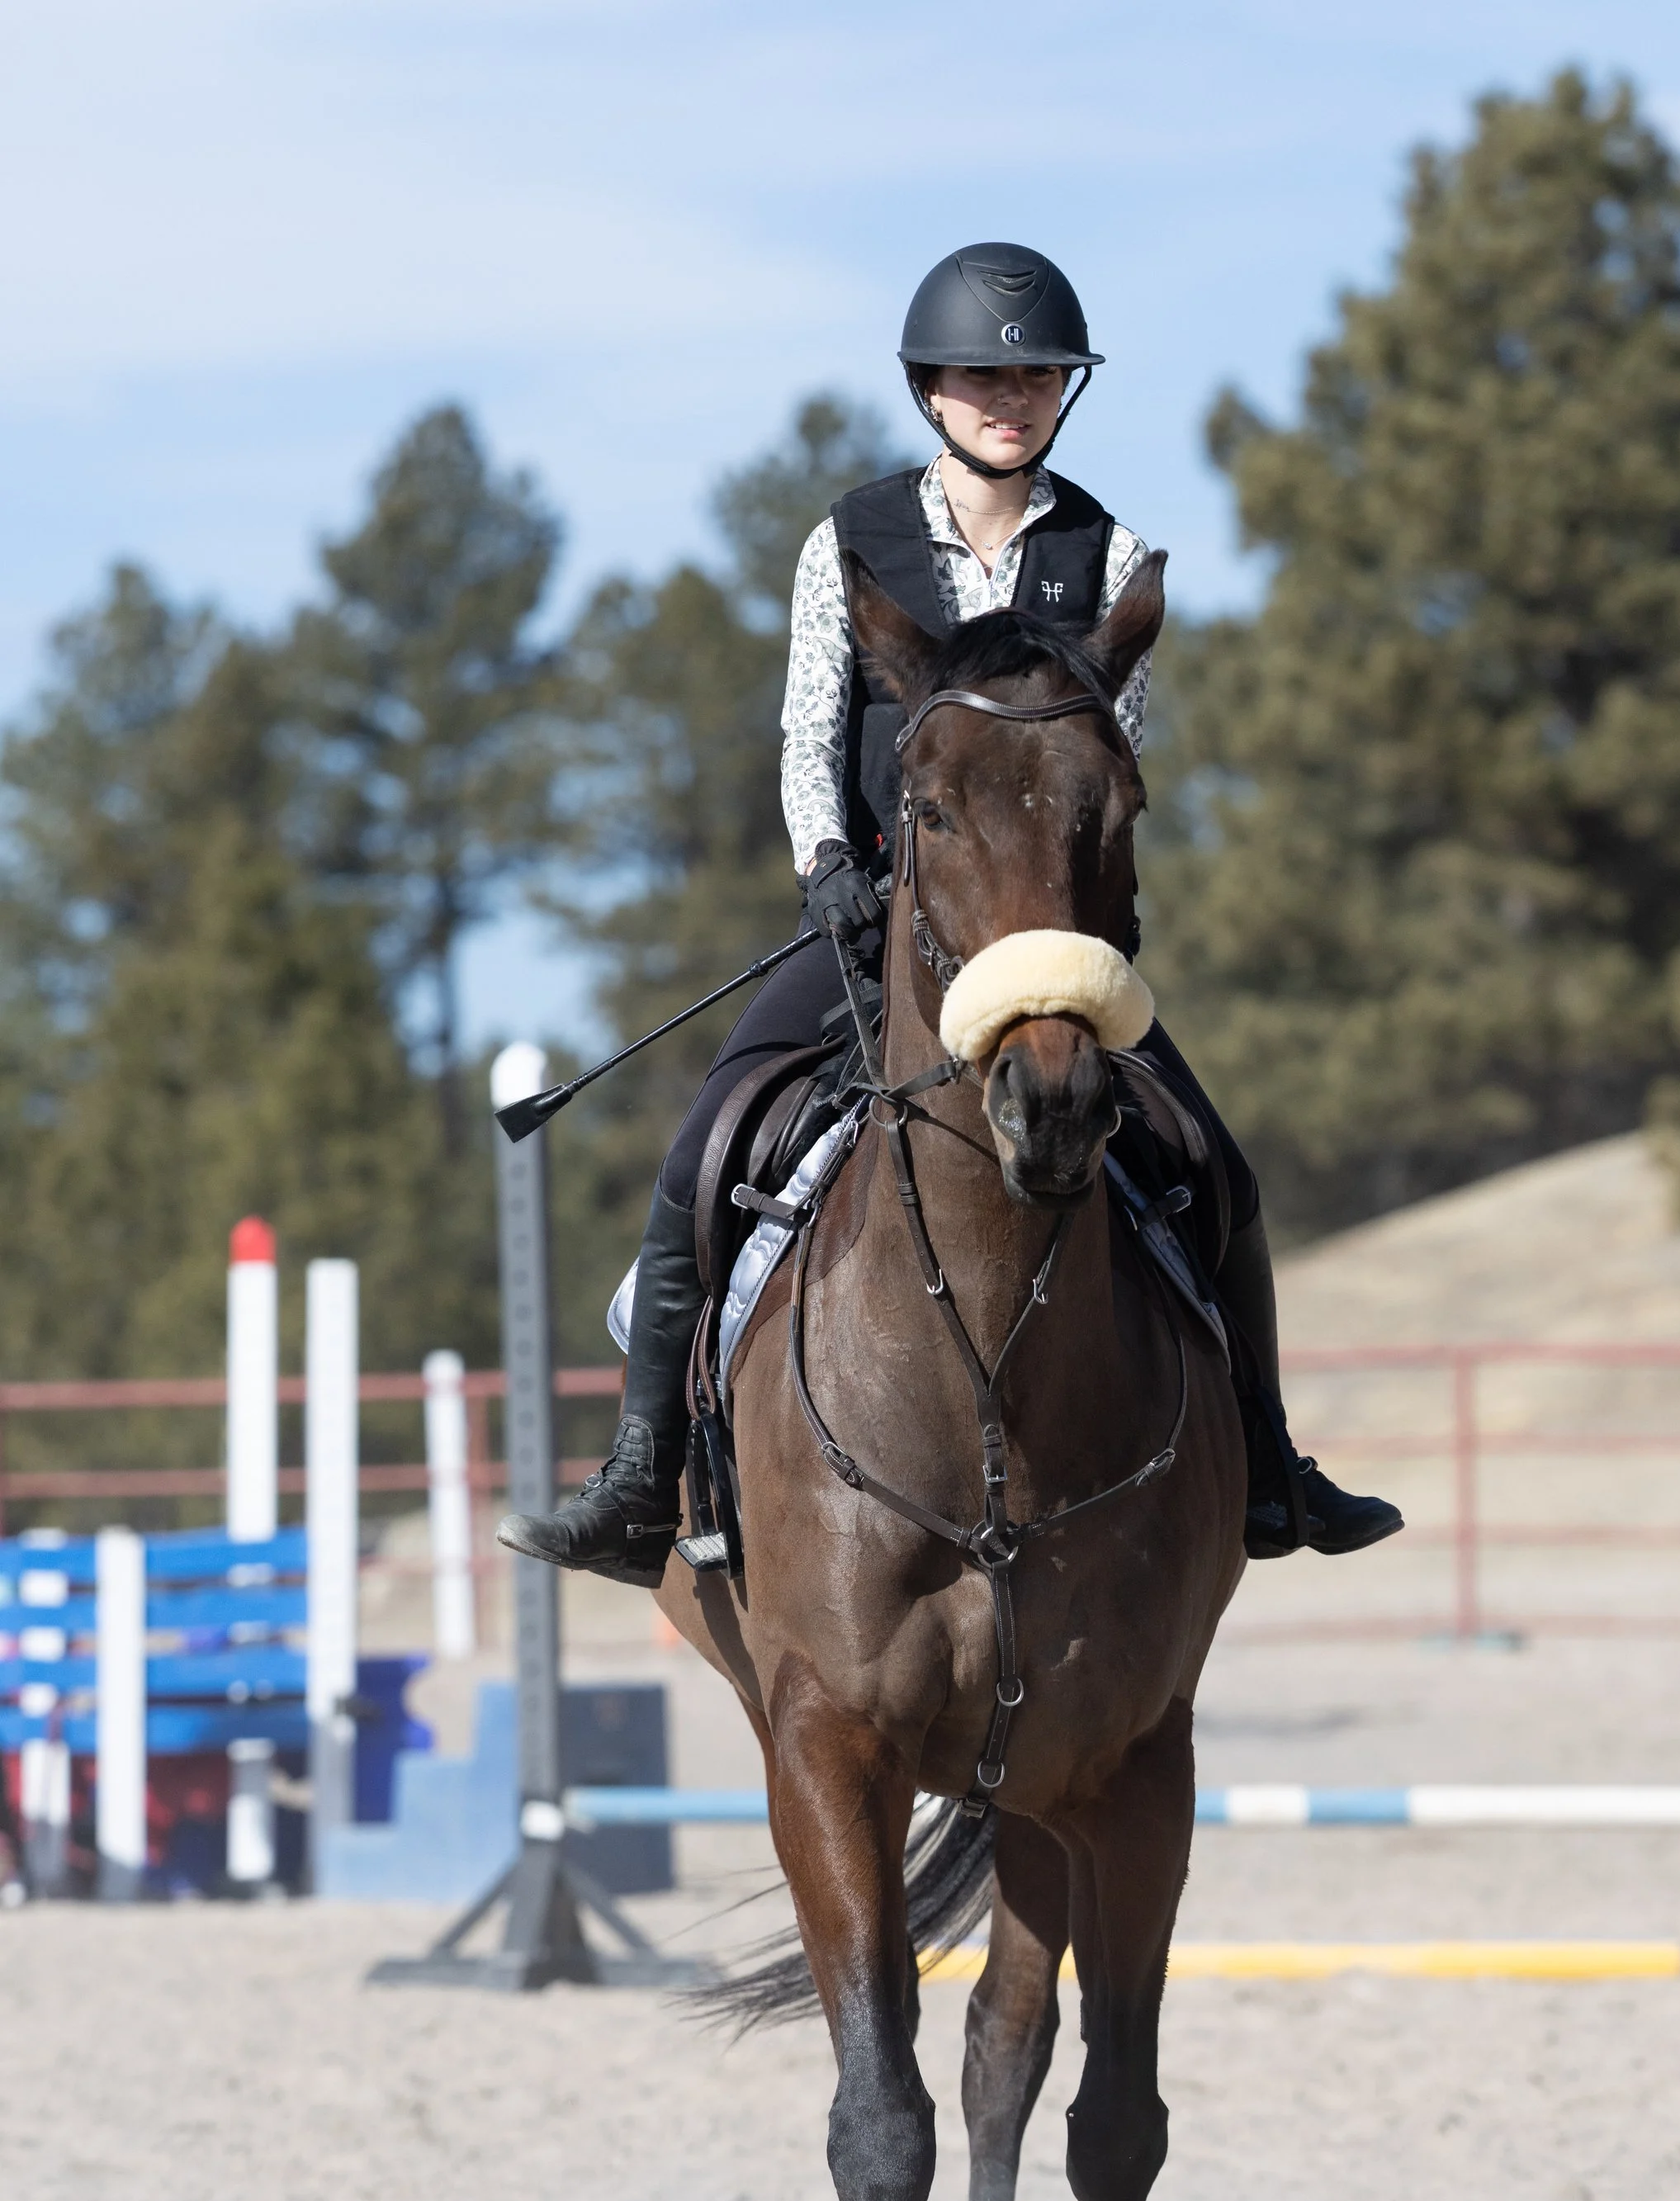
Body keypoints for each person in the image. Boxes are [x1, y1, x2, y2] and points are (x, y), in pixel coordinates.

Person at [501, 241, 1402, 1588]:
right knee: (702, 1149)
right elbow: (812, 732)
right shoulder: (849, 541)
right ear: (932, 388)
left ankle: (1267, 1462)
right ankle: (642, 1478)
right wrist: (827, 870)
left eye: (1039, 375)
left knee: (1214, 1165)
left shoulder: (1114, 557)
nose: (1013, 394)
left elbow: (1111, 761)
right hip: (880, 928)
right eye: (986, 373)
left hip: (1054, 948)